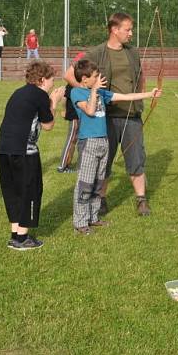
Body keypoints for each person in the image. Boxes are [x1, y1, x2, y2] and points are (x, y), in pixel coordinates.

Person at [64, 12, 156, 217]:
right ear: (114, 30)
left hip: (131, 116)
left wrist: (143, 97)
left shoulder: (133, 52)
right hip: (105, 117)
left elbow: (140, 77)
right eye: (128, 29)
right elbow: (69, 74)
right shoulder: (96, 52)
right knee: (103, 161)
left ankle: (141, 199)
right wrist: (88, 92)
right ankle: (101, 199)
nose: (131, 33)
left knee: (136, 158)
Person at [70, 58, 161, 234]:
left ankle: (93, 218)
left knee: (98, 182)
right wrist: (95, 90)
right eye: (96, 77)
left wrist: (150, 94)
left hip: (103, 141)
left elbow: (126, 97)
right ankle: (80, 224)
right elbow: (89, 111)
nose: (99, 79)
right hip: (88, 142)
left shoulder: (101, 93)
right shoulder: (77, 93)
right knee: (85, 184)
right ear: (85, 79)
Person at [0, 61, 65, 250]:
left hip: (4, 149)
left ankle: (15, 234)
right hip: (24, 152)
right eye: (52, 80)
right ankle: (22, 238)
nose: (53, 84)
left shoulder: (19, 92)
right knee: (30, 190)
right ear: (43, 80)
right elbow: (48, 125)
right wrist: (54, 101)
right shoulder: (40, 95)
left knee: (13, 192)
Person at [57, 51, 85, 173]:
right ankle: (62, 166)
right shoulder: (72, 84)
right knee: (72, 137)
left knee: (78, 137)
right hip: (74, 109)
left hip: (79, 107)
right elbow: (65, 97)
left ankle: (78, 165)